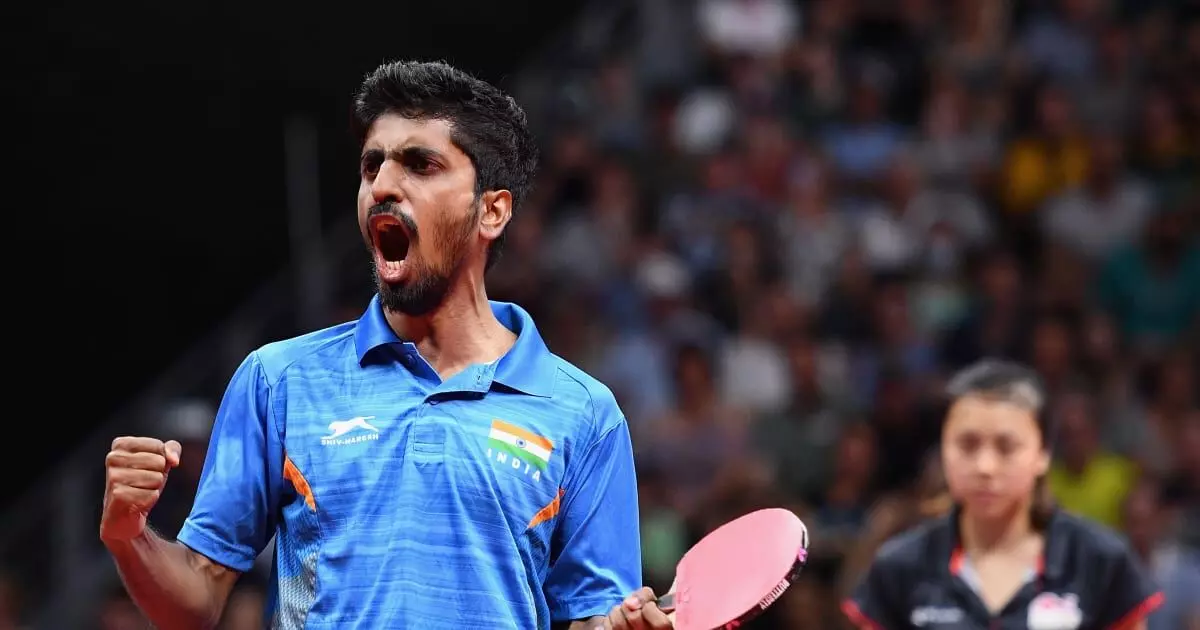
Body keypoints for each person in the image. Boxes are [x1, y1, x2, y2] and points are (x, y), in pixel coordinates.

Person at [99, 60, 671, 630]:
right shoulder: (279, 381)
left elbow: (590, 617)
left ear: (492, 210)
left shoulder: (584, 414)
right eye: (372, 165)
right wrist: (129, 537)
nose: (383, 187)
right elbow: (195, 600)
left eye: (421, 165)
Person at [842, 359, 1163, 629]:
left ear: (1043, 454)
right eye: (967, 445)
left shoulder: (1100, 560)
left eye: (1006, 447)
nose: (985, 466)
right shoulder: (899, 567)